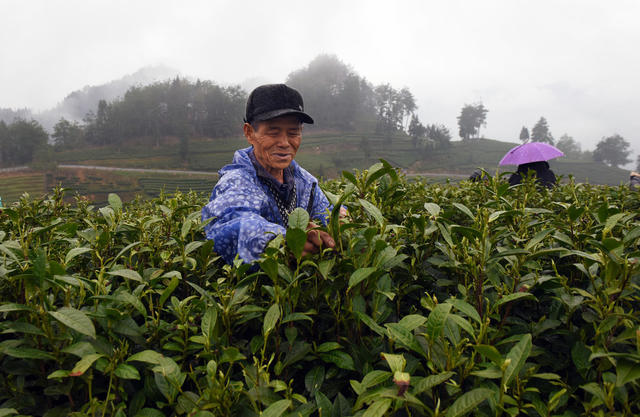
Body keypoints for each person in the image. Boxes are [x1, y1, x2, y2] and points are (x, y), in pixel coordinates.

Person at [201, 84, 335, 265]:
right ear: (249, 133)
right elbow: (233, 223)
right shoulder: (236, 181)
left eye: (293, 132)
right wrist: (283, 242)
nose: (284, 143)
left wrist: (337, 226)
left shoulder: (305, 182)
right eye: (273, 132)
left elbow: (327, 214)